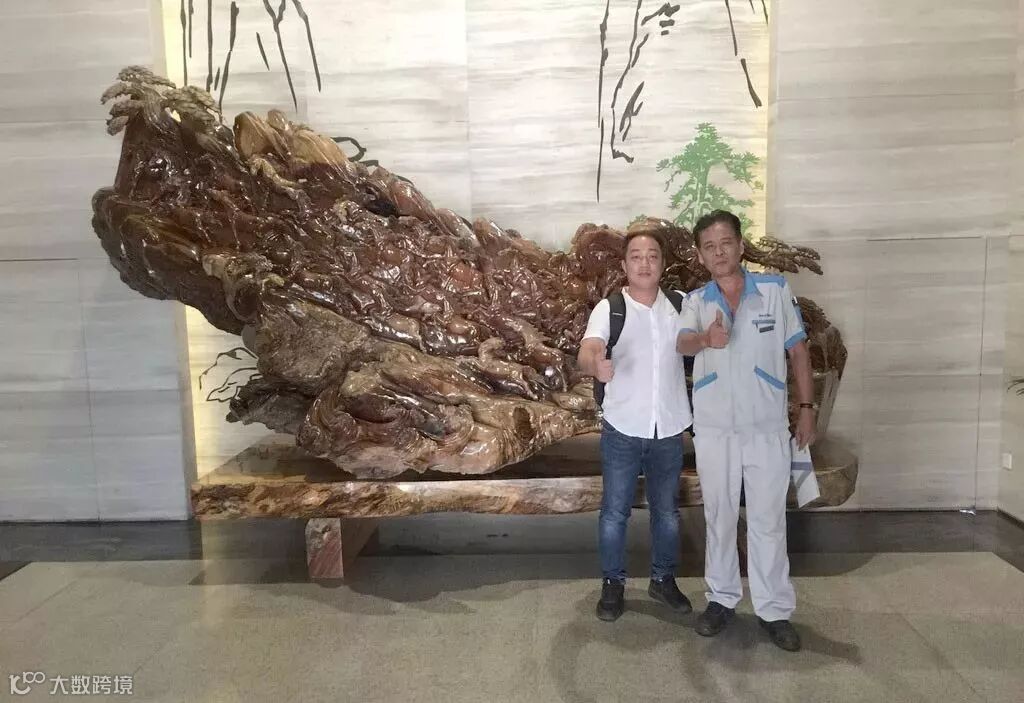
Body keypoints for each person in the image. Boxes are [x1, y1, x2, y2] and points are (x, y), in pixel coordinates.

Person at [676, 210, 816, 652]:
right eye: (709, 247)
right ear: (701, 255)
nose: (718, 253)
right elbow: (681, 342)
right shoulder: (696, 301)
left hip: (766, 427)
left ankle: (774, 609)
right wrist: (705, 340)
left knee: (768, 521)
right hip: (715, 429)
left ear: (740, 245)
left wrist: (806, 408)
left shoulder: (774, 290)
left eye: (725, 244)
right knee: (718, 517)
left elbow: (798, 351)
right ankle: (721, 600)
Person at [578, 230, 694, 621]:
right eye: (636, 256)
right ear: (624, 264)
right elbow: (588, 349)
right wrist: (595, 365)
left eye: (652, 256)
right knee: (615, 513)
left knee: (667, 513)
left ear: (662, 263)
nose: (645, 263)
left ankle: (663, 580)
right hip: (623, 429)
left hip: (668, 430)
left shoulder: (680, 305)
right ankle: (613, 583)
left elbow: (697, 344)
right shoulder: (610, 308)